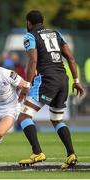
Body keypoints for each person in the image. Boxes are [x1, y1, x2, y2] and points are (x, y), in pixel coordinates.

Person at [18, 10, 86, 169]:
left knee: (24, 116)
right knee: (56, 119)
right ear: (43, 20)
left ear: (28, 22)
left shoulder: (30, 36)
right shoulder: (56, 33)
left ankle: (37, 152)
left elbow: (33, 60)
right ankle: (71, 155)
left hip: (47, 79)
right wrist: (77, 81)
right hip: (63, 79)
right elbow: (70, 57)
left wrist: (27, 85)